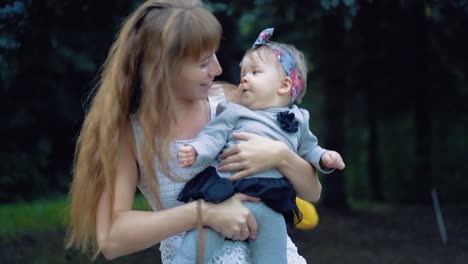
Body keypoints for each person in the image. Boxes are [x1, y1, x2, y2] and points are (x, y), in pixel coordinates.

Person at [65, 1, 324, 263]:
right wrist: (204, 213)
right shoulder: (129, 135)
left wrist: (281, 156)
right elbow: (111, 238)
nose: (218, 69)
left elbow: (312, 191)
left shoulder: (233, 102)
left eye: (214, 54)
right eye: (203, 62)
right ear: (163, 68)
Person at [174, 28, 345, 264]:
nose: (243, 78)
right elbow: (213, 136)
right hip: (228, 193)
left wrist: (326, 158)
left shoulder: (299, 119)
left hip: (270, 199)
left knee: (273, 253)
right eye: (243, 73)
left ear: (284, 85)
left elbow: (309, 149)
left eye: (255, 72)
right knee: (198, 243)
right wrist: (196, 150)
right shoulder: (235, 112)